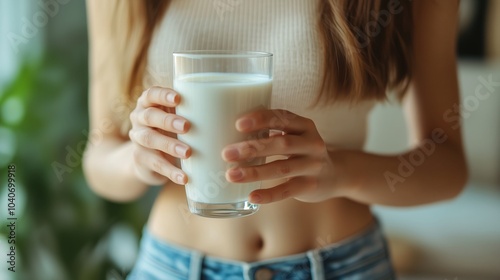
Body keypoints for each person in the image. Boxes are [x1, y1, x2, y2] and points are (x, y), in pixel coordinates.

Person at [83, 0, 467, 279]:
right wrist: (137, 159)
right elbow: (99, 157)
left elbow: (448, 165)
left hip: (341, 266)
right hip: (174, 267)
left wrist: (341, 171)